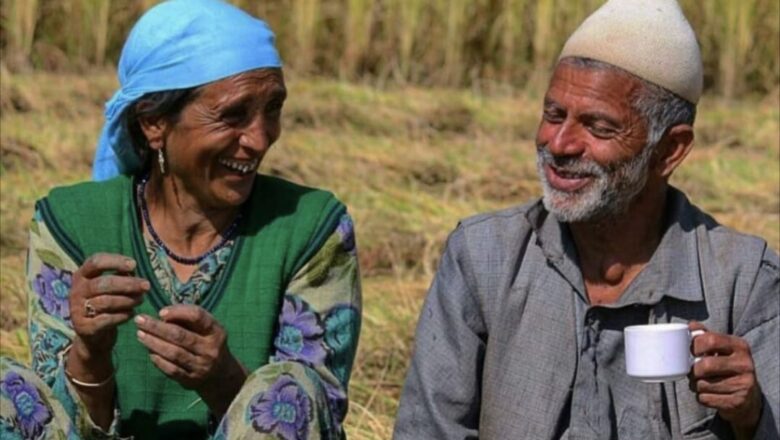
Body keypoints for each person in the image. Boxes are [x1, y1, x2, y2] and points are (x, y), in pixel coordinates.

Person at [393, 0, 779, 439]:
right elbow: (428, 430)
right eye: (553, 115)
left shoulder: (745, 281)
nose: (559, 144)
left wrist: (751, 414)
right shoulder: (483, 257)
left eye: (597, 126)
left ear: (669, 151)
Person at [0, 0, 361, 438]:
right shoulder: (70, 224)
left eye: (273, 109)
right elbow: (57, 424)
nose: (260, 138)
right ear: (154, 123)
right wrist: (91, 350)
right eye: (233, 114)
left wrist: (222, 378)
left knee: (290, 389)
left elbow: (317, 411)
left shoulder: (311, 228)